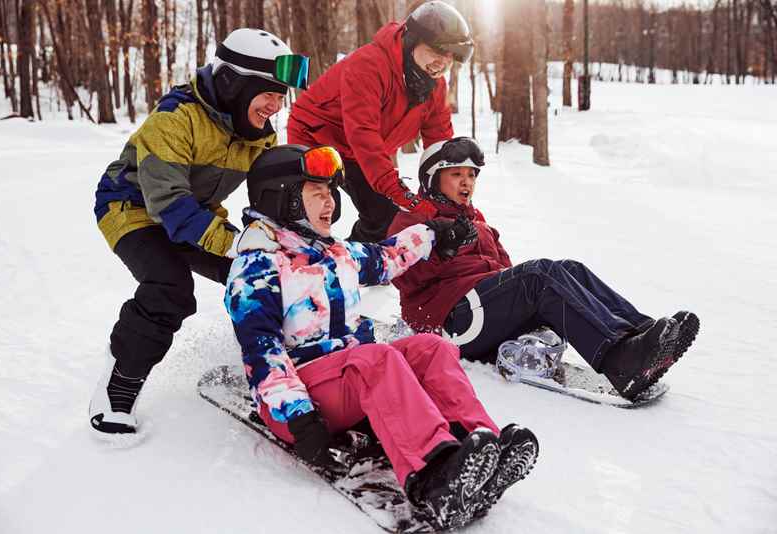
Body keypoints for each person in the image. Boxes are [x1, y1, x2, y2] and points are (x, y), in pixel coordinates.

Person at [224, 144, 539, 529]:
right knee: (378, 358)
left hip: (350, 377)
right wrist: (298, 416)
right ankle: (432, 477)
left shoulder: (332, 252)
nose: (330, 203)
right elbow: (261, 350)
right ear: (283, 199)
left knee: (431, 347)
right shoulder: (257, 267)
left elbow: (388, 257)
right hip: (301, 399)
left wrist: (433, 233)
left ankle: (478, 444)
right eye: (316, 193)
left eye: (331, 193)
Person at [88, 29, 310, 436]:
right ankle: (118, 385)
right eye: (270, 94)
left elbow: (270, 198)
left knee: (259, 271)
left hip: (196, 211)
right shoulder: (175, 118)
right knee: (169, 286)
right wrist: (232, 240)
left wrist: (288, 239)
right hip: (133, 208)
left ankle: (285, 360)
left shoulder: (259, 134)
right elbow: (168, 205)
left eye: (282, 97)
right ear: (233, 83)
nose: (276, 107)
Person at [387, 137, 701, 401]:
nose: (467, 181)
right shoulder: (414, 219)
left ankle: (645, 338)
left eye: (471, 174)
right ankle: (621, 362)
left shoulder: (475, 220)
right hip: (449, 322)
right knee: (539, 275)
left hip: (482, 309)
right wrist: (442, 247)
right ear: (432, 179)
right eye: (456, 174)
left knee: (569, 269)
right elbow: (400, 273)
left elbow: (503, 270)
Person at [287, 1, 473, 242]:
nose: (443, 63)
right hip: (317, 138)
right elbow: (363, 134)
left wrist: (452, 198)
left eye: (450, 57)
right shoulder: (369, 65)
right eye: (437, 52)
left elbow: (440, 144)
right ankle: (293, 262)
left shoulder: (435, 85)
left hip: (363, 152)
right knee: (316, 211)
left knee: (385, 219)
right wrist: (400, 193)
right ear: (412, 42)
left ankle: (352, 263)